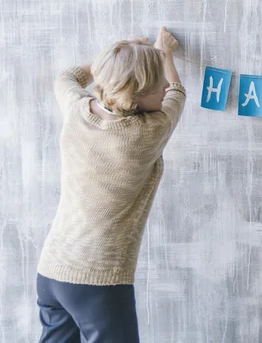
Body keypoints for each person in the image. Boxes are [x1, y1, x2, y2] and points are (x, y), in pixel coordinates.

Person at [36, 27, 186, 342]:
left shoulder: (77, 110)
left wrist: (115, 54)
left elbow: (68, 77)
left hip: (51, 270)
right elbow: (177, 93)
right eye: (155, 84)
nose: (162, 89)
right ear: (140, 91)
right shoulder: (146, 133)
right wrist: (166, 54)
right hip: (98, 280)